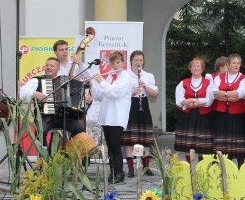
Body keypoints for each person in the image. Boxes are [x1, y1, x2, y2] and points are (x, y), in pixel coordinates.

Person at [19, 56, 89, 144]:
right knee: (41, 132)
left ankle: (70, 154)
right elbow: (21, 92)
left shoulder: (65, 81)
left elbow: (79, 98)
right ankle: (44, 156)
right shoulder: (37, 80)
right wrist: (35, 93)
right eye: (47, 65)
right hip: (45, 118)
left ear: (58, 68)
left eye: (51, 66)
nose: (48, 67)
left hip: (64, 117)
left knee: (79, 128)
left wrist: (86, 99)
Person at [89, 51, 131, 182]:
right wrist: (92, 85)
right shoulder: (111, 77)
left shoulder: (125, 77)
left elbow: (114, 93)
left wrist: (101, 81)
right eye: (113, 63)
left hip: (117, 116)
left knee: (115, 144)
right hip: (107, 116)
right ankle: (112, 172)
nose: (115, 65)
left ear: (123, 63)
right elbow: (100, 96)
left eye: (118, 62)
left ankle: (119, 172)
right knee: (110, 146)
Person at [120, 50, 159, 176]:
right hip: (129, 105)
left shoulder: (148, 75)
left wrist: (145, 86)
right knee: (129, 139)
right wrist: (132, 93)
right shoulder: (124, 75)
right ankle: (131, 168)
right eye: (136, 60)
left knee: (144, 138)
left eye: (140, 60)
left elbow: (154, 94)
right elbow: (119, 93)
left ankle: (146, 167)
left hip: (143, 106)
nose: (138, 62)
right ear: (131, 61)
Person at [211, 54, 245, 167]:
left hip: (238, 115)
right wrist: (230, 95)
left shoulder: (244, 78)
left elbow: (241, 93)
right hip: (222, 114)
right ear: (228, 65)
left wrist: (223, 94)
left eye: (238, 63)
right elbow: (214, 93)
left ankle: (240, 166)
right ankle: (225, 166)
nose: (236, 65)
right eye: (234, 63)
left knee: (239, 142)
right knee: (223, 142)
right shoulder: (219, 77)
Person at [174, 57, 215, 160]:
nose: (196, 68)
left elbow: (209, 100)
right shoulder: (183, 83)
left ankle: (202, 169)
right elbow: (179, 100)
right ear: (190, 68)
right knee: (189, 145)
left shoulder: (209, 83)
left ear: (202, 69)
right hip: (188, 117)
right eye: (194, 66)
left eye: (198, 66)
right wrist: (192, 102)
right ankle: (190, 169)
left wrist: (191, 102)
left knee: (203, 146)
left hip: (203, 117)